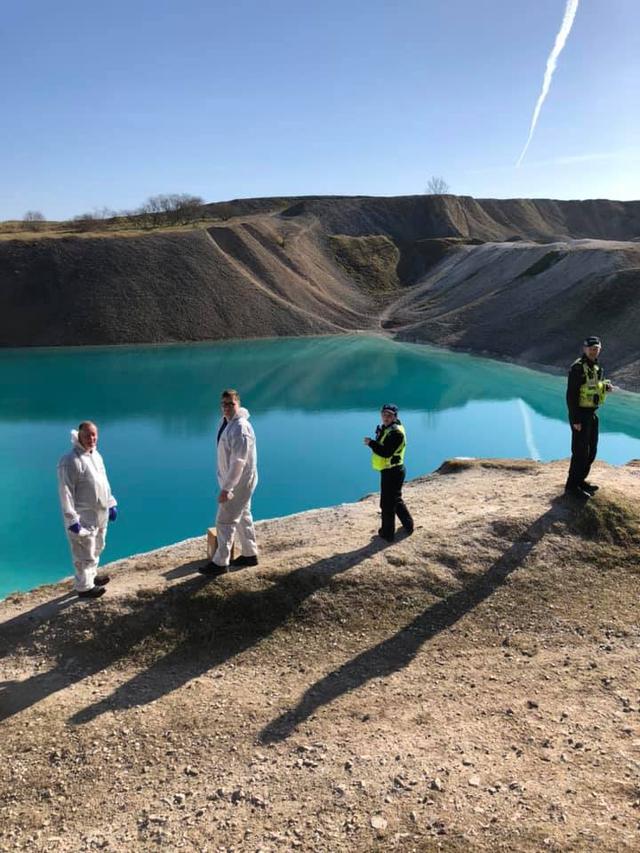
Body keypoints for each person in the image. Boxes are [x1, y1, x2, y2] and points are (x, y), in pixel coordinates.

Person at [201, 389, 259, 577]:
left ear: (238, 404)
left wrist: (227, 488)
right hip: (235, 481)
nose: (226, 407)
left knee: (225, 520)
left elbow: (239, 462)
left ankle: (220, 562)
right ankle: (250, 554)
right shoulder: (225, 423)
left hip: (238, 483)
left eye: (230, 404)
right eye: (223, 404)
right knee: (243, 515)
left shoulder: (240, 428)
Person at [57, 421, 118, 599]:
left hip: (99, 513)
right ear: (79, 436)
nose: (91, 438)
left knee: (98, 546)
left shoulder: (96, 456)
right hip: (83, 517)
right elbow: (65, 492)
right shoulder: (70, 461)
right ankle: (84, 588)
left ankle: (91, 577)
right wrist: (72, 520)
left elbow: (103, 483)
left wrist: (111, 502)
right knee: (84, 552)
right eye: (87, 435)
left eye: (94, 434)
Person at [565, 335, 614, 500]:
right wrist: (575, 420)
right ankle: (572, 487)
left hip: (592, 414)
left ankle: (580, 481)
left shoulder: (597, 368)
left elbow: (593, 387)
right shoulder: (577, 368)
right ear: (585, 349)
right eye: (592, 348)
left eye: (597, 349)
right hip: (580, 416)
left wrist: (605, 387)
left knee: (591, 451)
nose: (594, 351)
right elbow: (571, 395)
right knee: (580, 452)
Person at [364, 403, 414, 542]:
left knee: (387, 504)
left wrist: (371, 443)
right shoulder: (387, 428)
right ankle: (408, 525)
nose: (385, 417)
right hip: (390, 470)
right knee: (395, 500)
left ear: (395, 417)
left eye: (389, 415)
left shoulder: (396, 433)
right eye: (384, 414)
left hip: (393, 471)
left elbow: (386, 452)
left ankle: (387, 534)